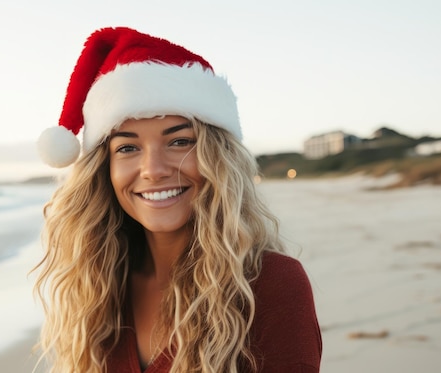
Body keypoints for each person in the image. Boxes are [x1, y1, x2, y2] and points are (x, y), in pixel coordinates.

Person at [33, 27, 321, 373]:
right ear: (104, 171)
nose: (153, 170)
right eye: (127, 147)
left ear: (218, 158)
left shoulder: (270, 284)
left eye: (180, 142)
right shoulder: (97, 287)